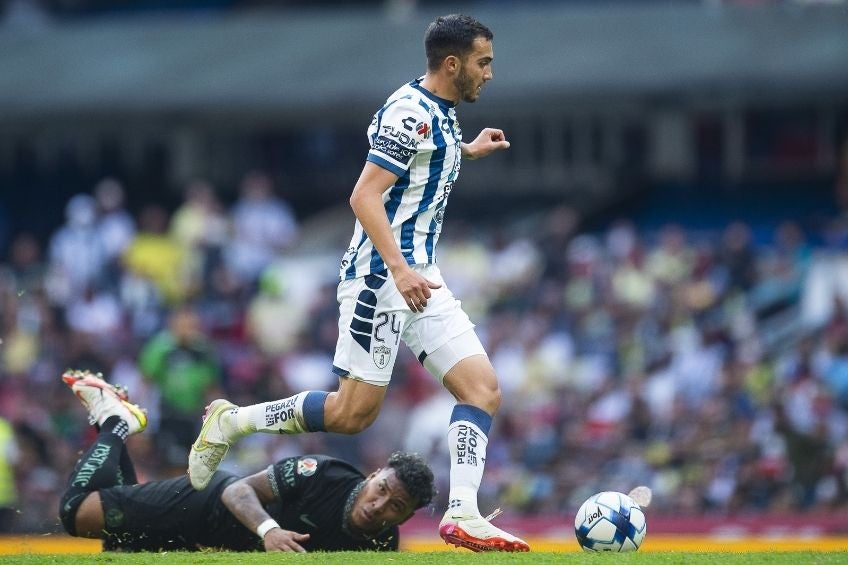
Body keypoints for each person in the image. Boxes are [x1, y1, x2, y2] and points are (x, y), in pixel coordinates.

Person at [188, 14, 529, 552]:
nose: (490, 72)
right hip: (381, 276)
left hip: (421, 276)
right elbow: (364, 196)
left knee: (482, 389)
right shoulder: (408, 113)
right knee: (352, 415)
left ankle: (463, 512)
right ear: (452, 63)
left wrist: (466, 152)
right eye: (483, 62)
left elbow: (419, 166)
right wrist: (397, 269)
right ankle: (233, 422)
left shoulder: (440, 114)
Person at [58, 370, 436, 553]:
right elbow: (238, 490)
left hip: (207, 548)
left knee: (117, 547)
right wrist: (269, 530)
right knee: (76, 514)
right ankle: (116, 421)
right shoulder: (326, 475)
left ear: (405, 519)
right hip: (203, 507)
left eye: (395, 507)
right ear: (372, 476)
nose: (379, 505)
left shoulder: (383, 546)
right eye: (382, 489)